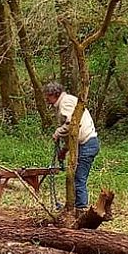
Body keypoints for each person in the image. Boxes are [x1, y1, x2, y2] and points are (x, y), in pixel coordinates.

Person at [43, 82, 100, 215]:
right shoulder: (66, 101)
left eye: (47, 96)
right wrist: (63, 151)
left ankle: (81, 210)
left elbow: (72, 124)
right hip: (84, 144)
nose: (46, 99)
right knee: (75, 178)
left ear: (54, 94)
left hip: (87, 144)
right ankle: (74, 208)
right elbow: (73, 134)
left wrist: (58, 132)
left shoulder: (66, 102)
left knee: (78, 179)